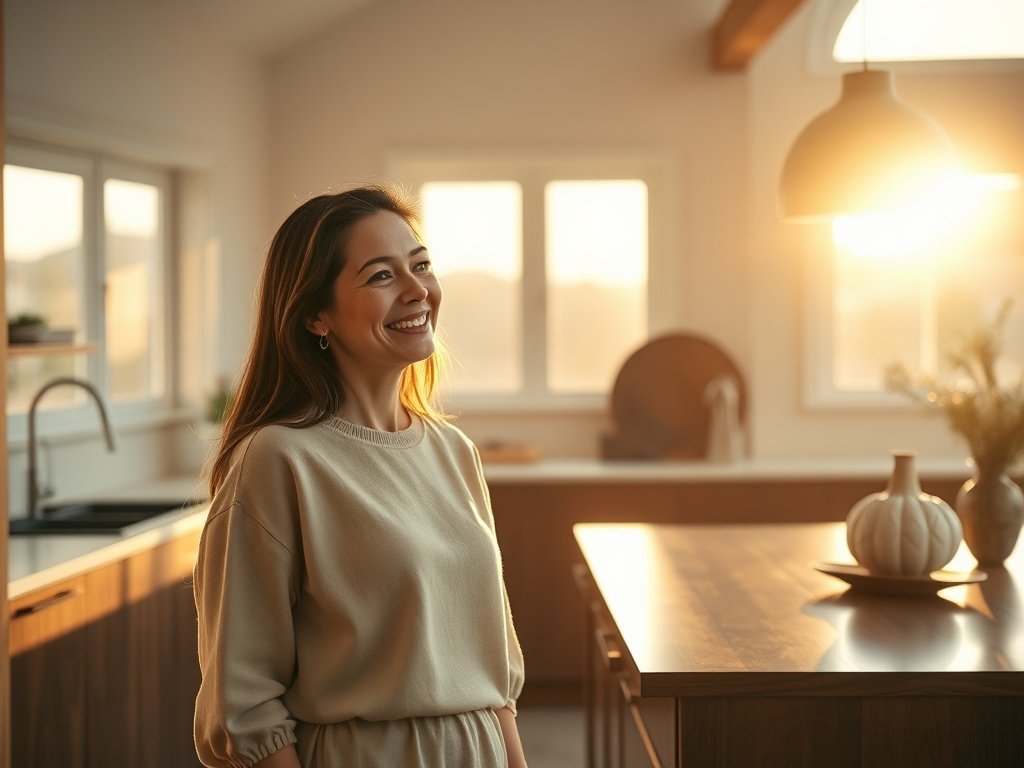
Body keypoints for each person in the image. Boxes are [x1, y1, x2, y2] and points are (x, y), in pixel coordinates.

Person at [192, 184, 527, 768]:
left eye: (421, 265)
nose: (417, 289)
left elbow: (495, 677)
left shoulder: (454, 451)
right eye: (380, 276)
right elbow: (243, 708)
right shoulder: (277, 460)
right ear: (315, 314)